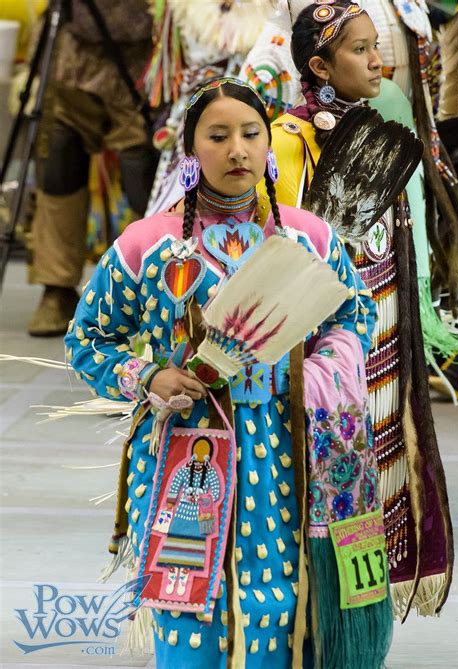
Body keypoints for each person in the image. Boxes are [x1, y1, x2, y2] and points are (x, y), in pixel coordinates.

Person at [65, 78, 392, 668]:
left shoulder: (308, 237)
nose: (237, 150)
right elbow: (87, 339)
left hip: (289, 446)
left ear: (269, 144)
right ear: (192, 152)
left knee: (284, 598)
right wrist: (147, 377)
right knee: (190, 602)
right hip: (186, 454)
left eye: (250, 134)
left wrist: (322, 372)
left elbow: (355, 311)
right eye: (218, 137)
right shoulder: (150, 245)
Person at [260, 1, 453, 619]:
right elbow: (285, 255)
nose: (378, 59)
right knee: (328, 464)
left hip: (383, 329)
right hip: (327, 344)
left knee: (375, 455)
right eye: (360, 49)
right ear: (319, 65)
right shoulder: (290, 140)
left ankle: (358, 612)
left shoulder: (374, 124)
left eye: (377, 45)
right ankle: (313, 608)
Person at [28, 0, 157, 337]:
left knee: (143, 175)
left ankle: (160, 283)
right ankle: (56, 286)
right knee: (59, 164)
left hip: (144, 57)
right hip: (73, 51)